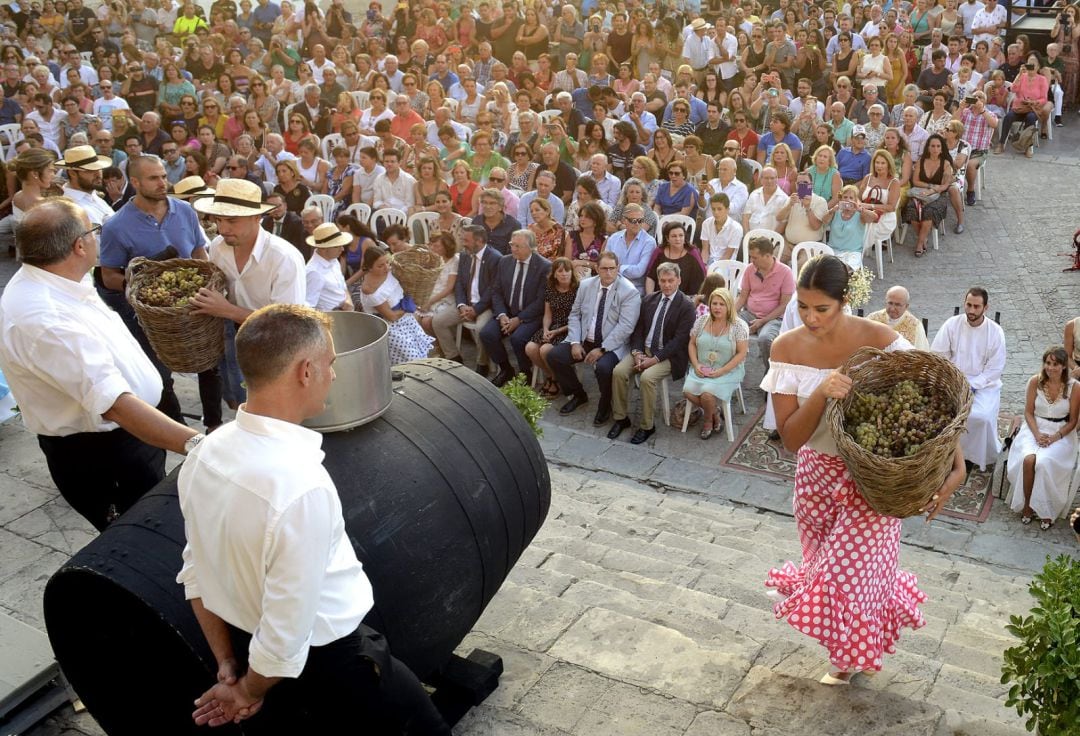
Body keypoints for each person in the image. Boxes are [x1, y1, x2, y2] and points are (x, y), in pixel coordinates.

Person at [176, 303, 450, 734]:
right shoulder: (300, 487)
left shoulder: (205, 454)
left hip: (253, 655)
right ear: (306, 371)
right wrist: (248, 690)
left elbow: (196, 569)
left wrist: (230, 664)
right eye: (330, 363)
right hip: (334, 665)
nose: (334, 374)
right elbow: (286, 636)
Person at [764, 255, 966, 684]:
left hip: (872, 485)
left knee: (847, 578)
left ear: (845, 300)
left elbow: (933, 404)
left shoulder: (883, 340)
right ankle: (850, 649)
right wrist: (821, 391)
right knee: (830, 576)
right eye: (803, 306)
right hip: (815, 478)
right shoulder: (785, 349)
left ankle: (848, 659)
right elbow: (790, 439)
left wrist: (958, 465)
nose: (810, 317)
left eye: (822, 308)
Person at [0, 199, 199, 531]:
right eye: (95, 231)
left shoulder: (61, 276)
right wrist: (200, 445)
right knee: (142, 536)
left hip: (129, 442)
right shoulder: (44, 318)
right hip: (106, 455)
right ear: (80, 245)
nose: (98, 239)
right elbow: (114, 404)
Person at [98, 155, 221, 432]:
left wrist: (207, 279)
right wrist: (136, 290)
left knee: (209, 365)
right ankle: (179, 432)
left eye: (164, 176)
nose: (162, 183)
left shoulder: (185, 211)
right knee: (159, 376)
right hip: (150, 317)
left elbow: (199, 251)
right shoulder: (116, 225)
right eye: (154, 178)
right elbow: (108, 275)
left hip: (194, 304)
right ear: (135, 182)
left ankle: (214, 425)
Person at [191, 179, 307, 410]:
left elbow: (286, 325)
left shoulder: (283, 258)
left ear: (258, 218)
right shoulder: (217, 247)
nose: (223, 229)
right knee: (244, 403)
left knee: (277, 409)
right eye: (219, 219)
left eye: (232, 220)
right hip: (237, 338)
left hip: (280, 347)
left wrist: (226, 310)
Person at [548, 250, 641, 426]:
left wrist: (603, 349)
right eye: (604, 268)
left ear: (618, 268)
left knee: (604, 369)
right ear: (596, 268)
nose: (608, 273)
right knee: (554, 356)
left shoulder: (629, 292)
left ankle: (605, 404)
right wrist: (575, 342)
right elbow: (575, 315)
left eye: (612, 269)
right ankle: (578, 394)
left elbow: (626, 327)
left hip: (612, 344)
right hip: (585, 339)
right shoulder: (586, 285)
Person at [609, 262, 695, 445]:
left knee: (648, 378)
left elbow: (679, 341)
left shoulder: (686, 306)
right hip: (645, 349)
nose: (667, 285)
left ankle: (647, 426)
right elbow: (639, 329)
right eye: (663, 281)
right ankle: (621, 418)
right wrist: (637, 352)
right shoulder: (649, 300)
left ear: (679, 280)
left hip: (669, 355)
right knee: (619, 372)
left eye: (671, 280)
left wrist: (654, 359)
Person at [931, 287, 1006, 472]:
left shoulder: (995, 332)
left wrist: (972, 385)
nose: (971, 311)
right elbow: (938, 356)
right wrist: (954, 381)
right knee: (939, 412)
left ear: (985, 308)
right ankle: (946, 454)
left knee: (979, 417)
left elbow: (994, 369)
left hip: (984, 385)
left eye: (976, 307)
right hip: (953, 380)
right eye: (969, 305)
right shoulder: (951, 324)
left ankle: (971, 457)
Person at [1006, 347, 1079, 529]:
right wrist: (1037, 434)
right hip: (1034, 428)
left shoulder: (1075, 387)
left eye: (1055, 364)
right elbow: (1028, 413)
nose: (1050, 368)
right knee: (1028, 459)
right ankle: (1028, 506)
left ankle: (1047, 509)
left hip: (1061, 432)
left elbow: (1074, 421)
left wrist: (1055, 437)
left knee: (1044, 463)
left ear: (1063, 366)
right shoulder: (1034, 382)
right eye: (1047, 363)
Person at [480, 229, 552, 386]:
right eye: (512, 244)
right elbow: (496, 292)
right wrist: (502, 315)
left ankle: (525, 372)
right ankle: (506, 369)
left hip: (531, 316)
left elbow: (541, 302)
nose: (513, 249)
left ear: (531, 248)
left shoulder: (544, 267)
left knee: (518, 339)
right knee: (487, 334)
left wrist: (519, 319)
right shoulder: (505, 262)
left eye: (518, 246)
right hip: (507, 312)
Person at [683, 286, 749, 440]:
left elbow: (741, 353)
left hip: (728, 370)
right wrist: (696, 364)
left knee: (707, 394)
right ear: (710, 305)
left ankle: (708, 421)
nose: (717, 307)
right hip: (702, 368)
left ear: (729, 306)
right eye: (714, 303)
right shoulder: (702, 321)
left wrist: (722, 371)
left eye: (722, 304)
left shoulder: (737, 326)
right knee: (687, 391)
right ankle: (715, 412)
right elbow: (692, 344)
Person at [433, 224, 501, 370]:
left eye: (466, 240)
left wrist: (476, 309)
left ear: (479, 241)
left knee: (481, 328)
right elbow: (459, 285)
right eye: (462, 240)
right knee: (438, 321)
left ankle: (482, 363)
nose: (463, 244)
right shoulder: (464, 255)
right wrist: (462, 305)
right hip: (465, 304)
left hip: (485, 306)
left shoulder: (494, 258)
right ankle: (454, 358)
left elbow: (493, 290)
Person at [356, 245, 435, 365]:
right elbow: (391, 316)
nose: (386, 267)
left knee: (422, 355)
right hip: (392, 329)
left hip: (407, 320)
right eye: (380, 266)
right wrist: (406, 307)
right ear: (369, 268)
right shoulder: (370, 289)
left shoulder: (390, 271)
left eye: (387, 263)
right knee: (413, 362)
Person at [735, 236, 795, 370]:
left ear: (767, 255)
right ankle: (730, 368)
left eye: (754, 257)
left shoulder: (785, 272)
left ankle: (770, 373)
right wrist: (729, 314)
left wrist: (762, 321)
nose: (751, 260)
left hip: (773, 318)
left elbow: (785, 305)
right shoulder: (750, 269)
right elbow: (742, 297)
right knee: (727, 326)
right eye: (751, 257)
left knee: (766, 339)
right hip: (749, 314)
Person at [525, 257, 580, 398]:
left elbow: (580, 319)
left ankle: (554, 381)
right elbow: (547, 314)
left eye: (567, 270)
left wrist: (556, 331)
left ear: (572, 272)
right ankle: (551, 376)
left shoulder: (578, 289)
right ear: (554, 274)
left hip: (569, 328)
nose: (564, 274)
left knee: (545, 350)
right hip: (553, 326)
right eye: (560, 271)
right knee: (530, 348)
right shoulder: (550, 288)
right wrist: (545, 330)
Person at [902, 133, 954, 257]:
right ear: (928, 148)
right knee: (911, 209)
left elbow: (945, 185)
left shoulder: (946, 164)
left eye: (938, 146)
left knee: (929, 212)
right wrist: (930, 186)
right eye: (932, 146)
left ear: (942, 149)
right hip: (920, 193)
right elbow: (915, 181)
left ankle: (919, 243)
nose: (935, 149)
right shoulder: (921, 161)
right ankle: (923, 238)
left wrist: (933, 191)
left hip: (938, 195)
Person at [603, 203, 657, 295]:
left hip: (634, 290)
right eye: (633, 220)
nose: (636, 224)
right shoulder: (614, 238)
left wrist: (616, 268)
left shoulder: (649, 242)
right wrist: (613, 269)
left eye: (640, 220)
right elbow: (604, 265)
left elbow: (639, 271)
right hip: (612, 287)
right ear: (624, 220)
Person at [56, 144, 116, 226]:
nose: (98, 174)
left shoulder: (94, 195)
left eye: (99, 168)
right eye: (90, 170)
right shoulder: (71, 207)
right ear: (72, 173)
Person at [303, 223, 353, 312]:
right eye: (337, 246)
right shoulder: (314, 273)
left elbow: (343, 287)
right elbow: (308, 308)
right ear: (323, 248)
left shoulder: (333, 259)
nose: (342, 249)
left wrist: (348, 300)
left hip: (345, 315)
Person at [866, 286, 931, 350]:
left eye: (897, 305)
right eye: (890, 303)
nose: (892, 309)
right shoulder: (872, 319)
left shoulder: (915, 325)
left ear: (906, 306)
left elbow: (922, 355)